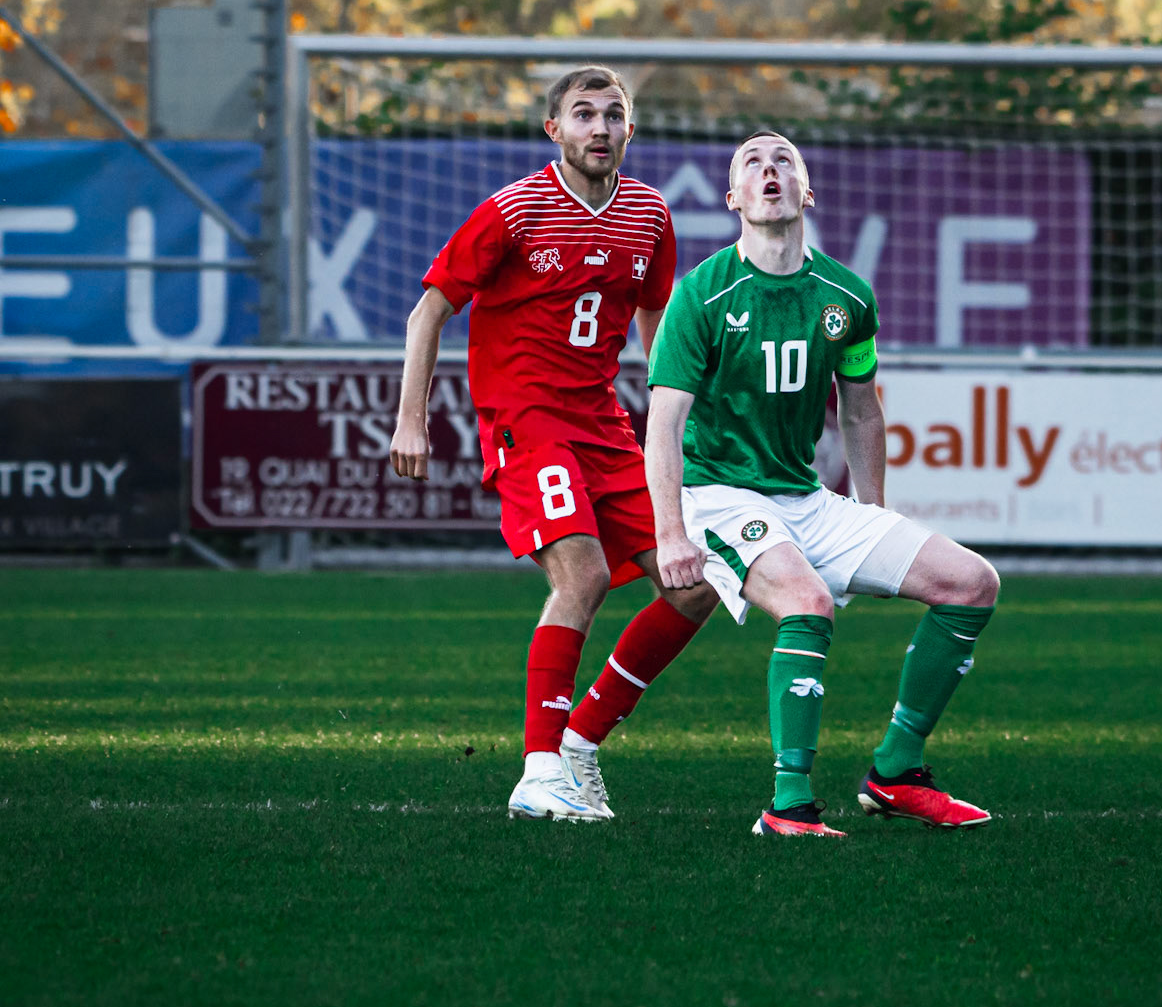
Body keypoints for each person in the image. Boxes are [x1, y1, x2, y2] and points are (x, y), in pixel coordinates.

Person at [643, 129, 1000, 838]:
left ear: (806, 192)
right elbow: (660, 424)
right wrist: (669, 532)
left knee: (972, 583)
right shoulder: (700, 297)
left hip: (805, 498)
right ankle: (788, 804)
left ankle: (894, 773)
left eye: (783, 162)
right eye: (752, 163)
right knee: (807, 603)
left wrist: (875, 520)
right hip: (718, 494)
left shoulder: (847, 296)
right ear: (732, 199)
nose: (768, 171)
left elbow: (862, 409)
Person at [389, 65, 715, 822]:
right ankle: (538, 771)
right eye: (582, 115)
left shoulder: (649, 215)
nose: (598, 128)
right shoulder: (513, 211)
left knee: (695, 581)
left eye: (612, 115)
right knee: (584, 574)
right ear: (554, 130)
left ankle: (578, 747)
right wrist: (412, 417)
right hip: (526, 419)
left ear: (630, 130)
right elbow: (427, 313)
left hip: (604, 424)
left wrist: (674, 422)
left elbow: (655, 325)